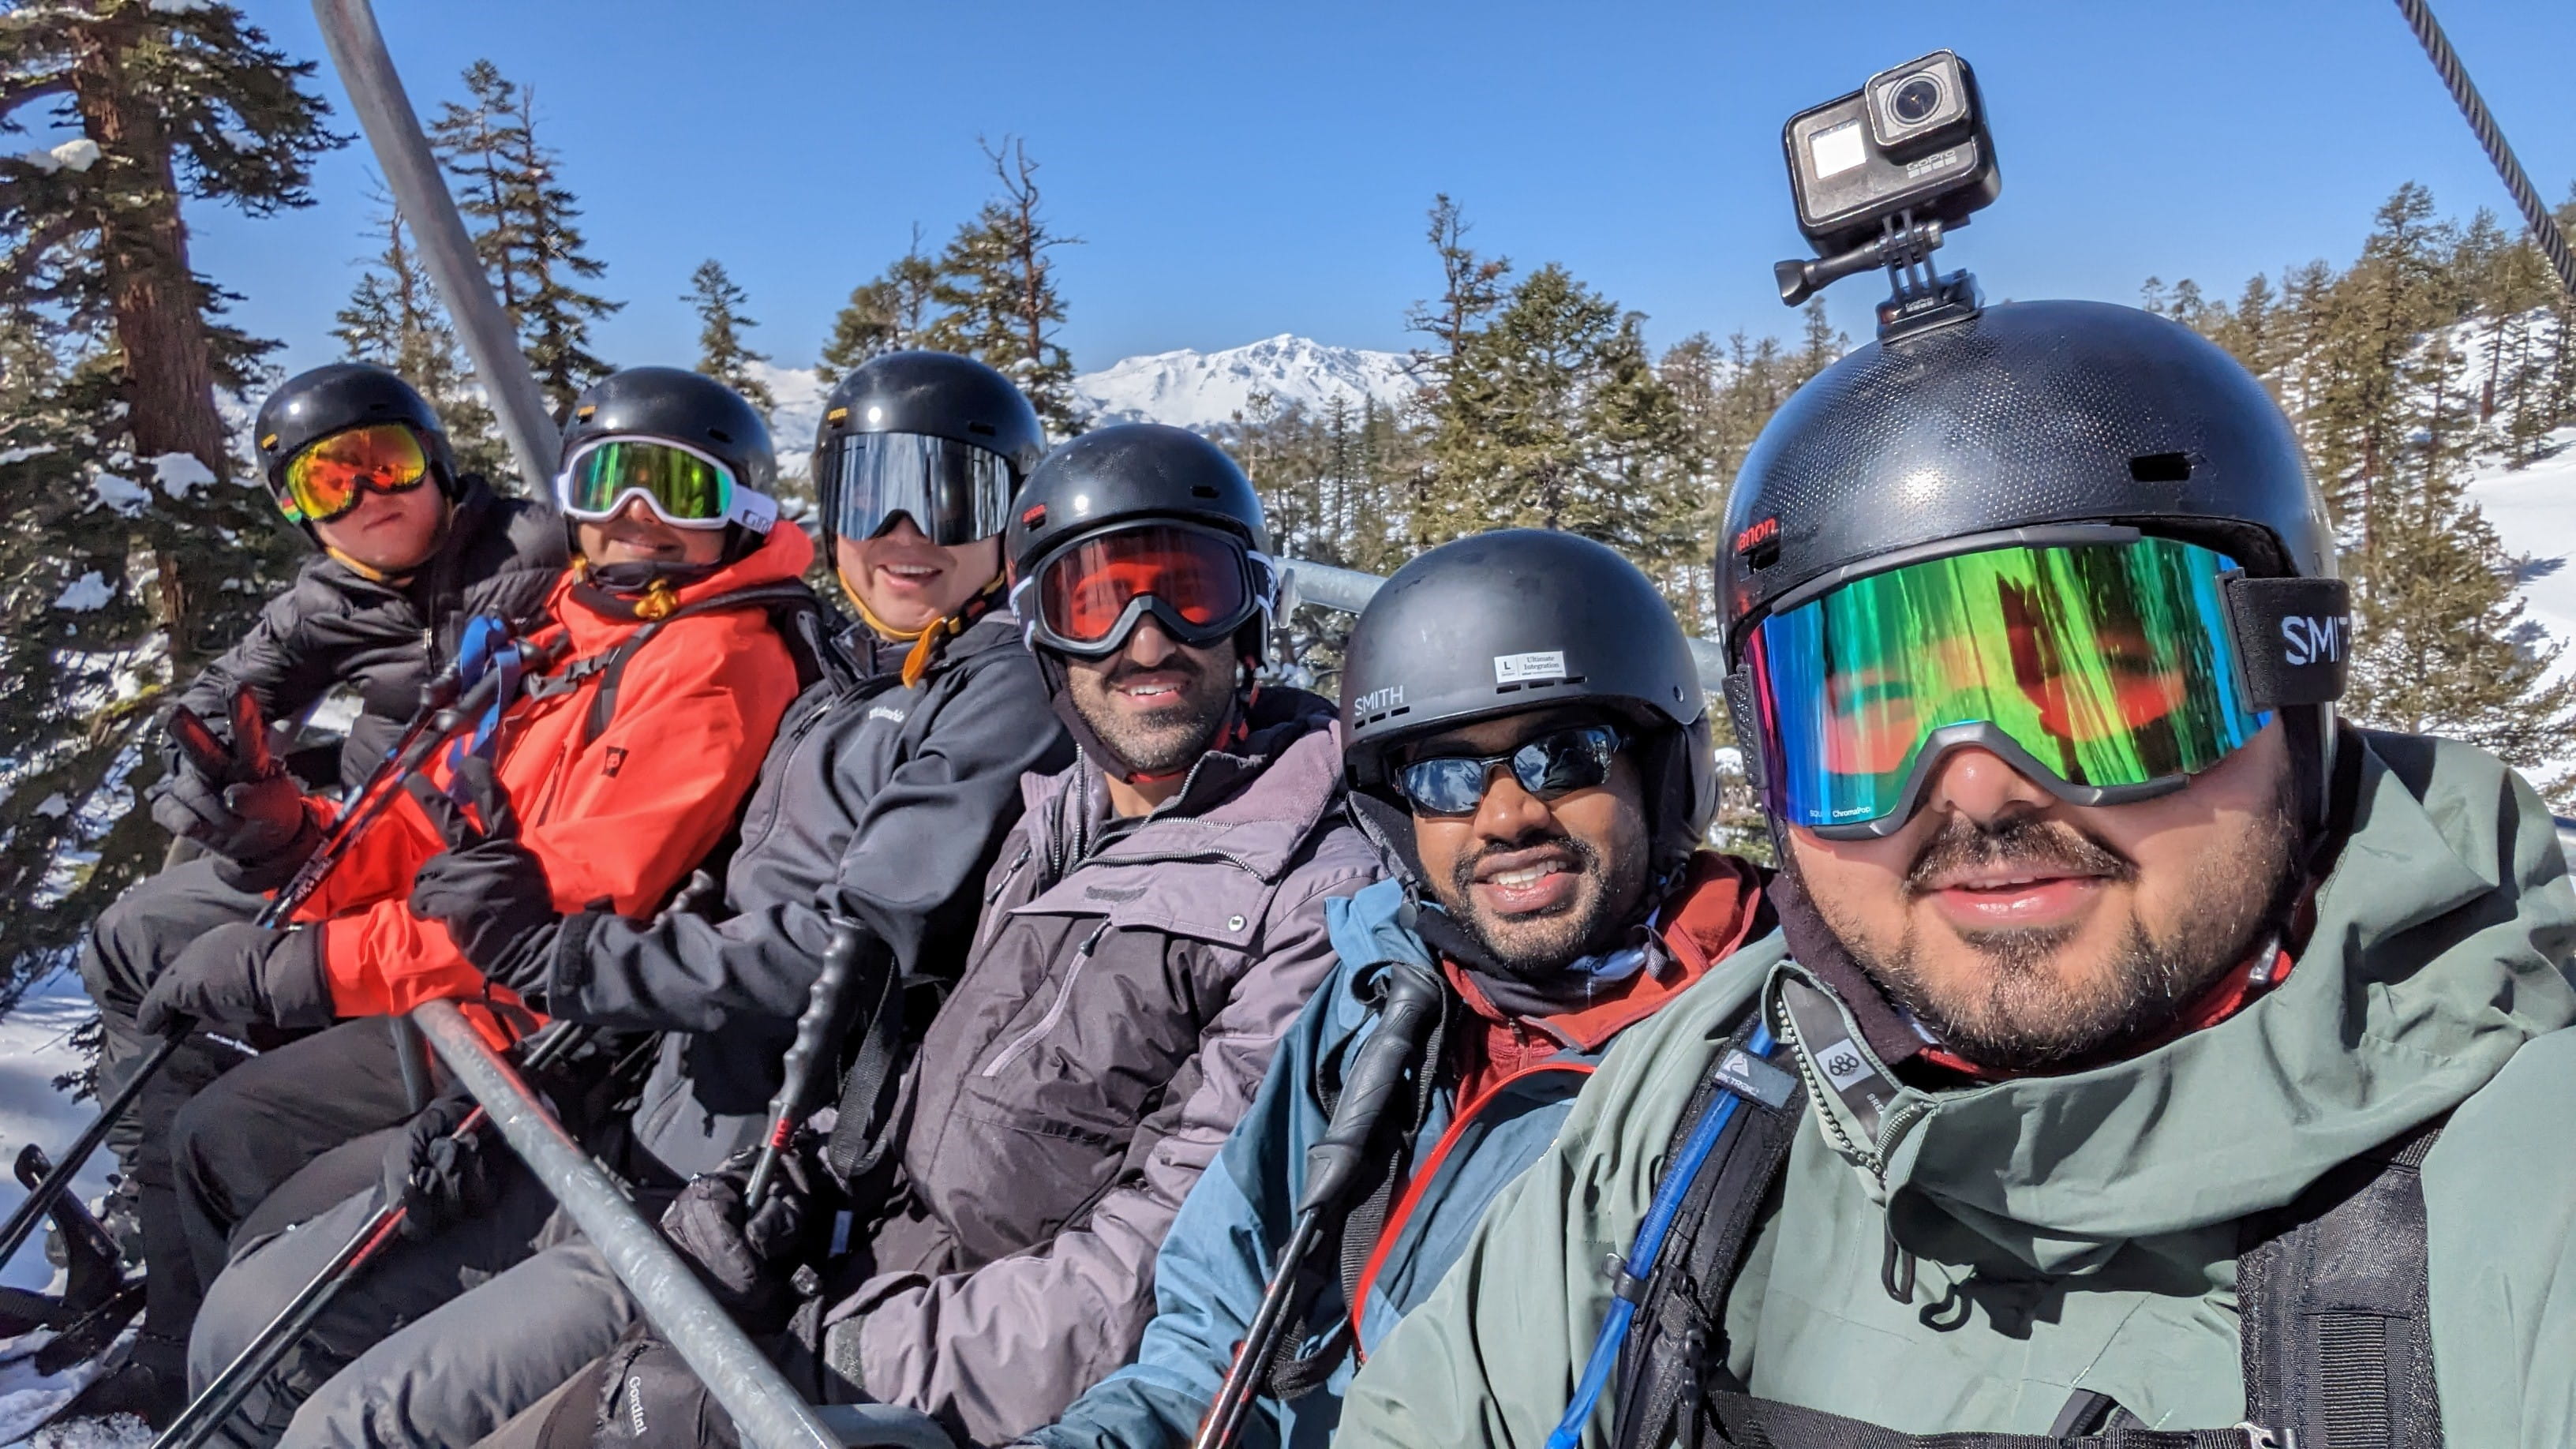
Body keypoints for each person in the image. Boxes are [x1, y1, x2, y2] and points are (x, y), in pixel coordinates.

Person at [1330, 300, 2576, 1448]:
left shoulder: (2522, 1193)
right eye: (1870, 717)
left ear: (2287, 673)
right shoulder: (1709, 1096)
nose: (1978, 790)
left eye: (2103, 684)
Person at [184, 350, 1076, 1447]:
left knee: (350, 1418)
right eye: (868, 492)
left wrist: (558, 967)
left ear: (1013, 521)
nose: (903, 532)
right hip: (629, 1105)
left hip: (735, 1181)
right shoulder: (846, 665)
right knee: (246, 1322)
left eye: (948, 497)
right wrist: (524, 1094)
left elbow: (844, 946)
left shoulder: (988, 686)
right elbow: (680, 900)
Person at [490, 422, 1387, 1449]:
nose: (1145, 638)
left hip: (930, 1373)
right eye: (1092, 600)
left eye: (1190, 593)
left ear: (1252, 617)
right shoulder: (1051, 823)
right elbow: (922, 1084)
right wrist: (793, 1194)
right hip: (848, 1274)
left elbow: (1148, 1273)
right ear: (1043, 636)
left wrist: (828, 1346)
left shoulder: (1313, 890)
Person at [95, 366, 812, 1425]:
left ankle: (235, 1385)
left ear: (742, 507)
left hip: (527, 1027)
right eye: (608, 487)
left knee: (226, 1147)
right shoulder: (578, 630)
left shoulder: (709, 661)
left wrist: (304, 965)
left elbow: (571, 897)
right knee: (208, 1121)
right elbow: (442, 825)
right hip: (461, 991)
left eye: (678, 491)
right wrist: (284, 840)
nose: (636, 520)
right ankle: (196, 1357)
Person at [1023, 529, 1774, 1449]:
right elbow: (1212, 1339)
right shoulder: (1384, 1002)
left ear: (1661, 769)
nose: (1506, 817)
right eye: (1446, 777)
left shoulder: (1767, 1052)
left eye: (1565, 755)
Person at [71, 361, 562, 1415]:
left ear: (435, 458)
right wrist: (219, 774)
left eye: (384, 463)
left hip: (468, 878)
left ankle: (203, 1278)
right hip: (357, 847)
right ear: (299, 510)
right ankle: (163, 1258)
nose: (366, 498)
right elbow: (226, 697)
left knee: (213, 1013)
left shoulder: (533, 560)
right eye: (326, 485)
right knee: (134, 940)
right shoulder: (329, 593)